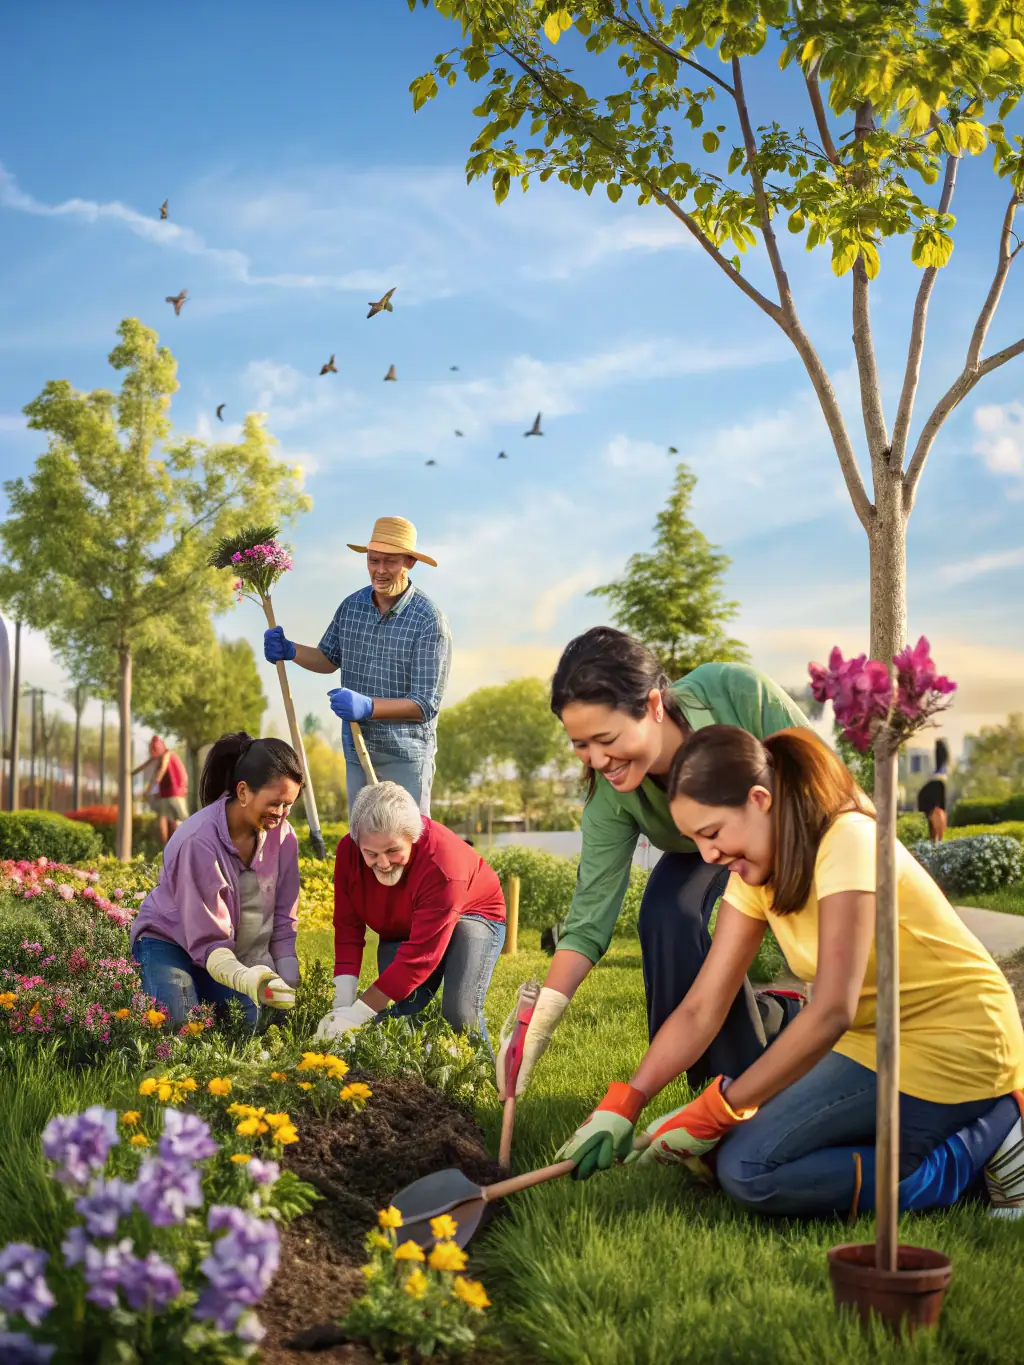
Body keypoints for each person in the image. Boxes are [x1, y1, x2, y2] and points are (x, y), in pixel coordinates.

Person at [553, 725, 1024, 1217]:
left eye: (712, 833)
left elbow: (832, 1011)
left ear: (760, 800)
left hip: (957, 1041)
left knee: (751, 1175)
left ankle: (980, 1145)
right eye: (696, 840)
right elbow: (700, 1008)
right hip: (871, 1042)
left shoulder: (847, 839)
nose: (709, 855)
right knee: (725, 1157)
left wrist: (717, 1108)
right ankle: (936, 1137)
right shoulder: (755, 871)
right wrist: (626, 1101)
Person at [497, 627, 812, 1104]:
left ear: (653, 705)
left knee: (695, 917)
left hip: (780, 829)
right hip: (698, 854)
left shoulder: (737, 692)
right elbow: (589, 919)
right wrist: (540, 1021)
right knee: (665, 914)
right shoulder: (611, 799)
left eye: (605, 738)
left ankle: (750, 1077)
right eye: (580, 744)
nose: (597, 759)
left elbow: (818, 782)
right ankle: (714, 1083)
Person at [263, 515, 451, 815]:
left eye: (390, 561)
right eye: (373, 560)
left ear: (409, 563)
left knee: (405, 844)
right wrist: (290, 650)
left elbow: (425, 704)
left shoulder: (429, 620)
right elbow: (328, 659)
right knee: (365, 842)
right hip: (357, 747)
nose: (379, 570)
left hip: (406, 755)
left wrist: (368, 707)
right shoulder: (351, 607)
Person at [315, 781, 506, 1049]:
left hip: (474, 913)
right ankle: (414, 1075)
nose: (382, 863)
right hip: (401, 921)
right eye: (371, 853)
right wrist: (342, 1007)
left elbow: (419, 958)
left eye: (393, 851)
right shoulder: (348, 852)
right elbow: (348, 928)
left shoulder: (442, 865)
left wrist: (356, 1015)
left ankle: (490, 1086)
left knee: (460, 1013)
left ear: (413, 838)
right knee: (402, 1008)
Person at [130, 733, 303, 1028]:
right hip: (169, 942)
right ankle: (159, 985)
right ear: (244, 791)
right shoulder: (199, 840)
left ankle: (197, 989)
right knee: (179, 1024)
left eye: (289, 805)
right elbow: (208, 939)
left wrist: (288, 985)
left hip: (218, 952)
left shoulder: (283, 836)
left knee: (248, 1017)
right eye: (275, 803)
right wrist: (248, 978)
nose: (281, 814)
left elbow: (284, 921)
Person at [132, 735, 189, 845]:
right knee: (170, 819)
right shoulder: (161, 755)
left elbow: (161, 770)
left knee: (178, 820)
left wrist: (150, 787)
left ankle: (177, 846)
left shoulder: (167, 754)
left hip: (175, 792)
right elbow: (147, 764)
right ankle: (170, 847)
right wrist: (131, 773)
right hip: (169, 793)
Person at [917, 738, 950, 843]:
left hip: (932, 794)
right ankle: (940, 746)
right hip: (931, 797)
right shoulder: (938, 783)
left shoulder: (939, 781)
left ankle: (940, 746)